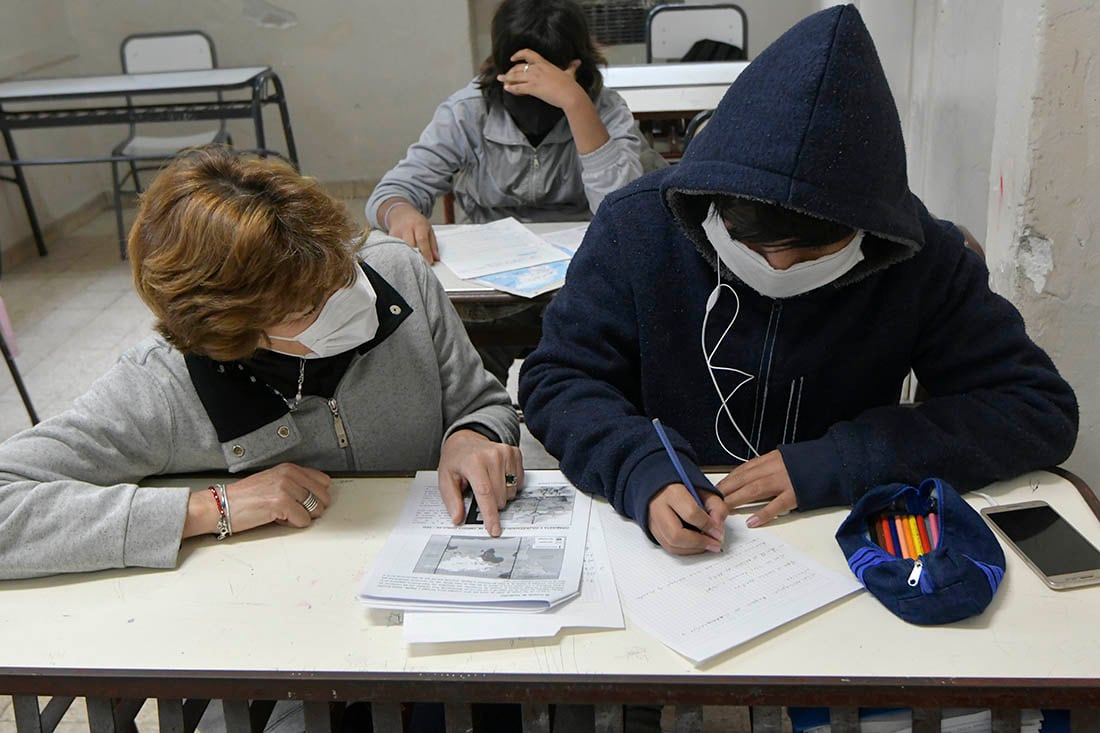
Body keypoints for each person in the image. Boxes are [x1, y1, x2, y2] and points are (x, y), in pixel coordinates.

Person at [518, 4, 1079, 556]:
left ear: (868, 231)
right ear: (711, 204)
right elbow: (559, 377)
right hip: (667, 527)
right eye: (754, 247)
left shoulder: (919, 256)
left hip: (840, 530)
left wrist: (848, 460)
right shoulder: (639, 227)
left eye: (813, 253)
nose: (778, 270)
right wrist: (636, 463)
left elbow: (1034, 407)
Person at [0, 146, 522, 580]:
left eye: (340, 270)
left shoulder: (395, 274)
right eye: (305, 308)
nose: (348, 299)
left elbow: (481, 401)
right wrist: (207, 509)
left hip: (431, 575)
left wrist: (473, 434)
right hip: (272, 620)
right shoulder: (164, 386)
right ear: (233, 332)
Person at [365, 0, 653, 384]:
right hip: (489, 287)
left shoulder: (604, 109)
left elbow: (624, 212)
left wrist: (574, 104)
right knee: (460, 376)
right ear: (500, 71)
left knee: (597, 371)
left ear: (577, 70)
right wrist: (400, 212)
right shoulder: (469, 111)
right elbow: (395, 190)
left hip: (580, 284)